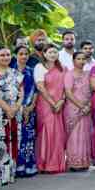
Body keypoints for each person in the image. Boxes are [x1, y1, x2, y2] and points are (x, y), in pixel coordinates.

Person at [0, 46, 23, 188]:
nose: (6, 57)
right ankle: (1, 176)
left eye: (7, 55)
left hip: (15, 112)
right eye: (2, 55)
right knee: (0, 143)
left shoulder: (15, 72)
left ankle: (11, 174)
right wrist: (7, 108)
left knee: (14, 141)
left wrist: (17, 106)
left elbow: (21, 91)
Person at [34, 44, 66, 173]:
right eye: (50, 52)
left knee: (58, 133)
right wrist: (53, 103)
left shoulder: (63, 68)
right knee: (47, 131)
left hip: (60, 104)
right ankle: (45, 164)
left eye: (55, 52)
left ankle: (56, 164)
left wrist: (61, 101)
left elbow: (66, 87)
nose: (53, 54)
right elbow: (41, 87)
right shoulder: (39, 67)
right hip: (46, 104)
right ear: (44, 54)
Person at [63, 51, 93, 171]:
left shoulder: (88, 74)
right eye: (78, 59)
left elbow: (92, 91)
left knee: (84, 135)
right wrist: (82, 107)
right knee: (74, 136)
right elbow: (68, 93)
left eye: (83, 59)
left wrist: (89, 105)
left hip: (87, 107)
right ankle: (74, 163)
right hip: (74, 108)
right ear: (73, 61)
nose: (81, 61)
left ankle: (84, 162)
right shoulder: (69, 74)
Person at [13, 45, 38, 178]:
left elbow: (36, 91)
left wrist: (31, 107)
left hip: (29, 110)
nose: (24, 56)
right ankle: (16, 167)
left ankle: (28, 166)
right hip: (15, 110)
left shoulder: (31, 71)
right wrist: (19, 108)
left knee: (28, 138)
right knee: (16, 138)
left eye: (26, 54)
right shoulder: (11, 72)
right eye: (21, 54)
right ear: (15, 55)